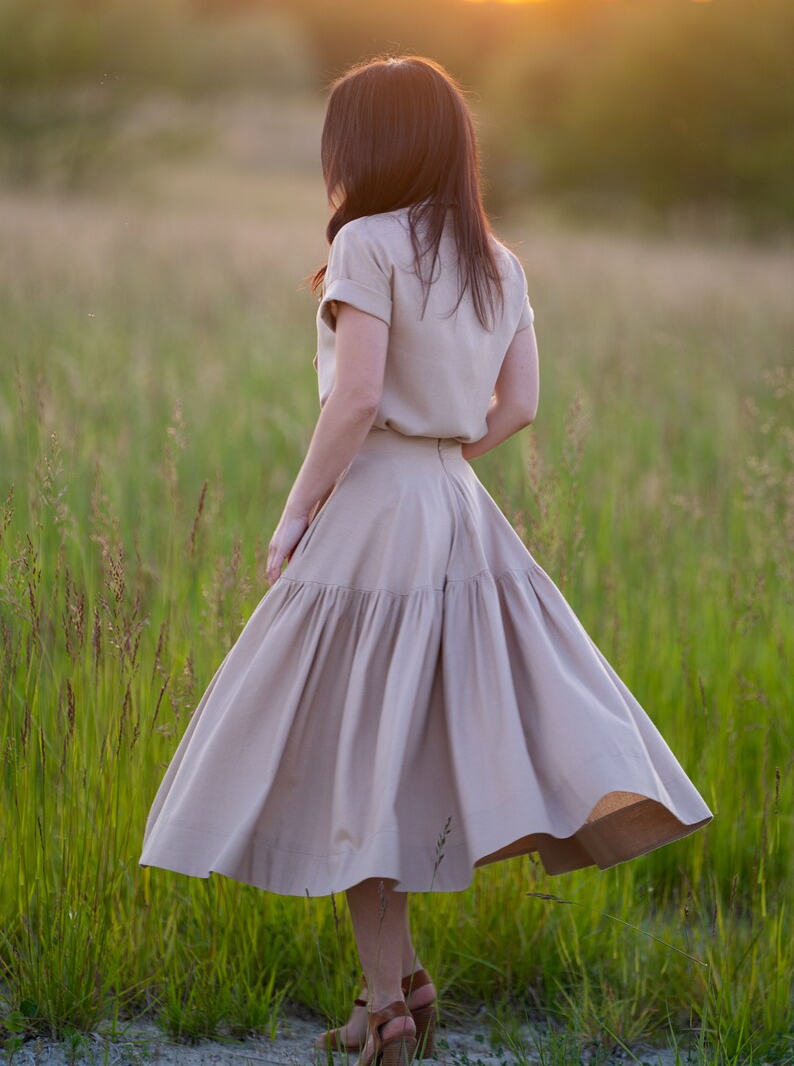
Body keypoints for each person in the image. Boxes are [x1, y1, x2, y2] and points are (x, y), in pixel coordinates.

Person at [139, 55, 713, 1066]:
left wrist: (293, 514)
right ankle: (393, 994)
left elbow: (354, 400)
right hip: (456, 509)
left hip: (372, 515)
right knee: (388, 762)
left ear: (363, 146)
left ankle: (387, 1007)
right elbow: (520, 405)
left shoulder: (364, 243)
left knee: (351, 762)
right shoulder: (500, 260)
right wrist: (441, 455)